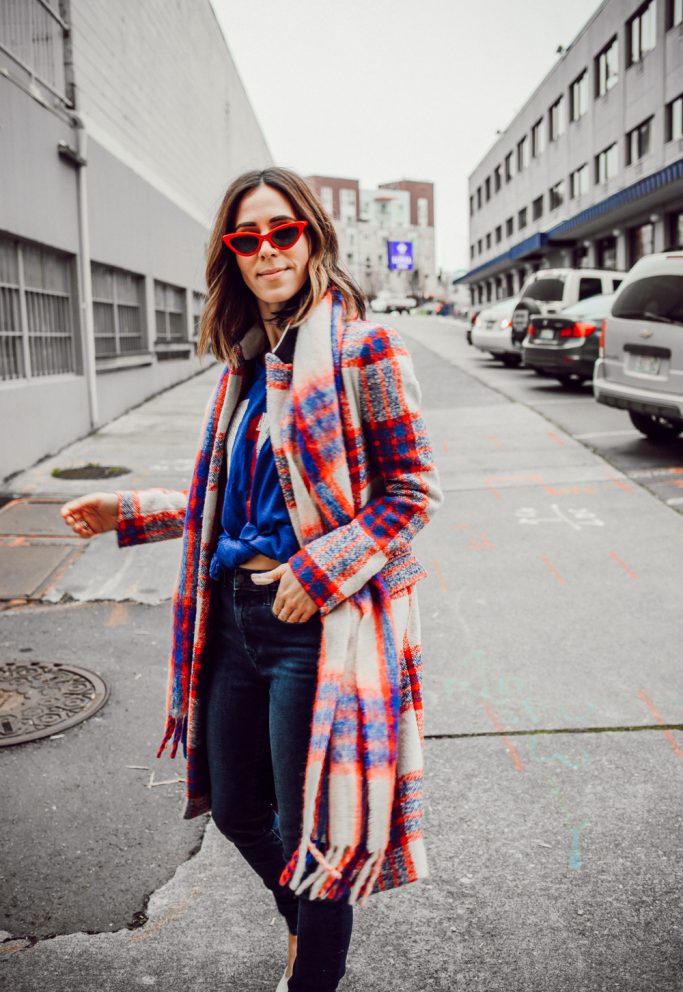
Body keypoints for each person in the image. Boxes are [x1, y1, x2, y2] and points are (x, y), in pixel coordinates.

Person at [61, 167, 443, 992]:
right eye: (246, 238)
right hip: (232, 617)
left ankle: (313, 968)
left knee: (316, 831)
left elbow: (411, 494)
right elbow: (224, 506)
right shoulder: (243, 363)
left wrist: (319, 567)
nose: (266, 249)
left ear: (311, 237)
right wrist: (127, 510)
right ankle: (308, 932)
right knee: (236, 809)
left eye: (282, 232)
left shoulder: (362, 348)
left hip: (316, 627)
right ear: (229, 255)